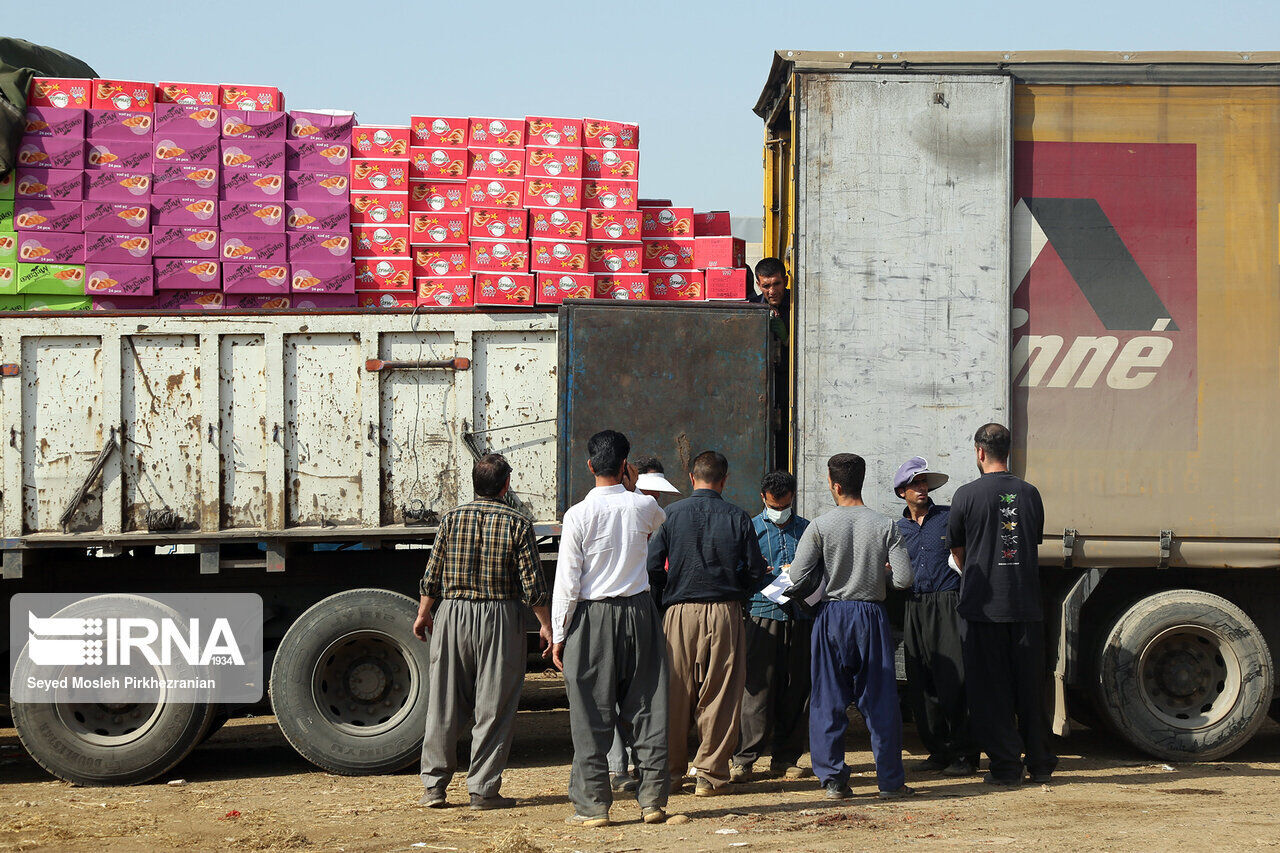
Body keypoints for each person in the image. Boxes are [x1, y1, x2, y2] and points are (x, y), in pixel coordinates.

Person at [415, 453, 552, 810]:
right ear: (506, 486)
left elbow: (432, 574)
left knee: (443, 702)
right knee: (494, 705)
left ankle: (434, 787)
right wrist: (546, 625)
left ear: (475, 483)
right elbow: (532, 585)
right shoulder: (518, 524)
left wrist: (423, 613)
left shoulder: (451, 519)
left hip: (452, 614)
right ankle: (482, 790)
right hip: (499, 615)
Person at [552, 430, 671, 826]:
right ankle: (652, 801)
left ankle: (594, 807)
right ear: (625, 465)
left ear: (589, 466)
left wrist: (558, 634)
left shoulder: (577, 515)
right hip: (639, 613)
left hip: (592, 617)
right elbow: (659, 519)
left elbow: (567, 583)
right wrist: (632, 485)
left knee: (589, 712)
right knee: (648, 707)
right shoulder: (642, 507)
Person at [787, 453, 915, 800]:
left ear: (836, 484)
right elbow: (904, 580)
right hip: (871, 616)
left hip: (832, 616)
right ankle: (890, 782)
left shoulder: (820, 526)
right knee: (880, 701)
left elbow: (797, 576)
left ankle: (832, 780)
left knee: (828, 699)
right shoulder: (885, 525)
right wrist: (880, 572)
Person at [647, 450, 767, 796]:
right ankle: (710, 776)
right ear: (724, 480)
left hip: (679, 612)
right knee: (720, 695)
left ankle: (670, 774)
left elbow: (653, 567)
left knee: (674, 694)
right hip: (725, 610)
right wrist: (741, 592)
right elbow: (756, 570)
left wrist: (666, 596)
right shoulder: (739, 517)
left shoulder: (671, 514)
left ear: (690, 477)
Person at [947, 423, 1057, 786]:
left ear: (979, 452)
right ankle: (1040, 763)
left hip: (983, 608)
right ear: (1008, 452)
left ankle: (1007, 768)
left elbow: (958, 551)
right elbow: (1031, 542)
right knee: (1029, 689)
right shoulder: (1029, 494)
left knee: (990, 693)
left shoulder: (965, 495)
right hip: (1025, 605)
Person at [893, 456, 979, 777]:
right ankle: (938, 750)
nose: (922, 489)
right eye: (915, 484)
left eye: (924, 483)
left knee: (954, 679)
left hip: (948, 603)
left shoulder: (946, 518)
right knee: (921, 681)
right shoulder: (896, 529)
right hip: (914, 605)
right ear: (902, 492)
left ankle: (966, 753)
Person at [731, 471, 813, 782]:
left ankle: (786, 758)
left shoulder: (806, 530)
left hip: (799, 616)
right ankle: (745, 759)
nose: (780, 509)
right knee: (757, 690)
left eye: (785, 502)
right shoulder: (750, 529)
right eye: (773, 503)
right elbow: (738, 572)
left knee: (796, 689)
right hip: (761, 615)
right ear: (763, 498)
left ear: (793, 497)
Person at [607, 454, 680, 795]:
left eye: (657, 494)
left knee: (641, 694)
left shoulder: (655, 516)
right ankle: (618, 768)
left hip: (647, 610)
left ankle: (639, 765)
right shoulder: (623, 512)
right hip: (626, 610)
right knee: (615, 694)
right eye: (648, 492)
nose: (654, 500)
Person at [748, 257, 791, 471]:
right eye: (766, 286)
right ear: (758, 284)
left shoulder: (798, 306)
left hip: (789, 387)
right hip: (763, 389)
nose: (772, 291)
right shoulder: (753, 307)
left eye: (776, 284)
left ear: (785, 280)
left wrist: (786, 339)